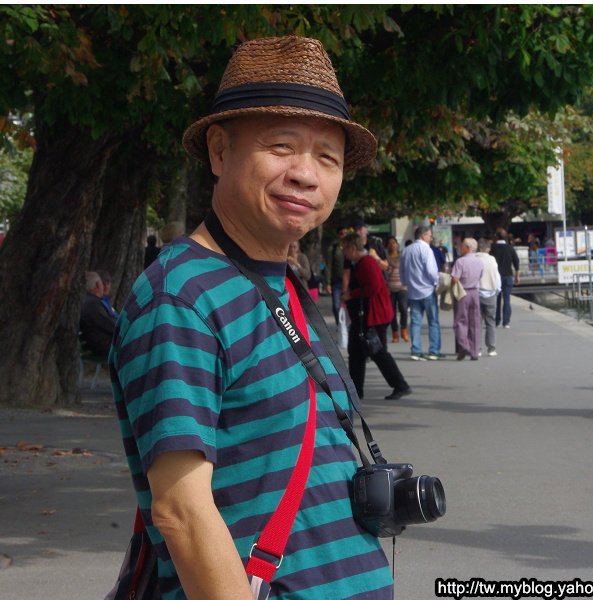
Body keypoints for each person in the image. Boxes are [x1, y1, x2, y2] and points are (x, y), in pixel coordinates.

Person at [109, 36, 393, 599]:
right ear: (219, 151)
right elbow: (181, 511)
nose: (306, 174)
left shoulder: (280, 283)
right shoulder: (183, 296)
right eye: (282, 146)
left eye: (327, 158)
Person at [342, 233, 411, 400]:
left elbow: (373, 287)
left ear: (352, 248)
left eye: (345, 248)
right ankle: (356, 391)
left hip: (373, 314)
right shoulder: (364, 262)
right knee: (358, 353)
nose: (344, 252)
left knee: (376, 351)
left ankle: (400, 385)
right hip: (369, 314)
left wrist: (352, 294)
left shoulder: (366, 263)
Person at [400, 225, 442, 360]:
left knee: (415, 322)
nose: (430, 238)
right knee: (433, 322)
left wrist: (407, 283)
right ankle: (434, 351)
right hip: (427, 290)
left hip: (412, 291)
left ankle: (416, 350)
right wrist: (436, 281)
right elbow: (431, 270)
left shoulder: (406, 250)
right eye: (429, 235)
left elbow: (402, 271)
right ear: (423, 235)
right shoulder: (426, 249)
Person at [450, 238, 484, 360]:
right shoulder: (480, 262)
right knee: (474, 322)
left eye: (462, 246)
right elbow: (480, 276)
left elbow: (454, 279)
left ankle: (464, 345)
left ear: (467, 248)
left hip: (462, 292)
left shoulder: (460, 261)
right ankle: (475, 351)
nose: (460, 248)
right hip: (475, 292)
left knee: (460, 320)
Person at [474, 238, 501, 357]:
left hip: (477, 293)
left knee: (477, 322)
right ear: (488, 249)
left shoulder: (474, 259)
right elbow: (497, 277)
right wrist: (497, 291)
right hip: (490, 293)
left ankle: (477, 348)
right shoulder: (492, 260)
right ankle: (491, 348)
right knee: (490, 321)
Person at [79, 271, 116, 357]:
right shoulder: (93, 304)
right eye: (102, 284)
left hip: (101, 344)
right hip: (104, 346)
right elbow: (110, 325)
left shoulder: (90, 302)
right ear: (97, 285)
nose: (103, 287)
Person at [491, 227, 520, 328]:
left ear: (496, 237)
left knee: (497, 299)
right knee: (507, 299)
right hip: (508, 275)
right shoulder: (510, 248)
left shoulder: (493, 248)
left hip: (496, 276)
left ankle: (497, 320)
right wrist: (517, 275)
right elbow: (516, 261)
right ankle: (506, 322)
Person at [386, 235, 409, 343]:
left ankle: (404, 329)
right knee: (392, 312)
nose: (392, 245)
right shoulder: (386, 258)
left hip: (402, 287)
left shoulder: (402, 256)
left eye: (394, 243)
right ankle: (395, 332)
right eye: (390, 243)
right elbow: (385, 272)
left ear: (397, 244)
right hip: (390, 288)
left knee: (404, 309)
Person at [324, 226, 347, 324]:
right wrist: (328, 283)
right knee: (336, 306)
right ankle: (339, 324)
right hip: (337, 281)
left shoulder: (351, 247)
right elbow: (328, 266)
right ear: (338, 235)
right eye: (342, 233)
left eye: (346, 233)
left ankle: (348, 326)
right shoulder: (333, 248)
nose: (344, 235)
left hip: (349, 281)